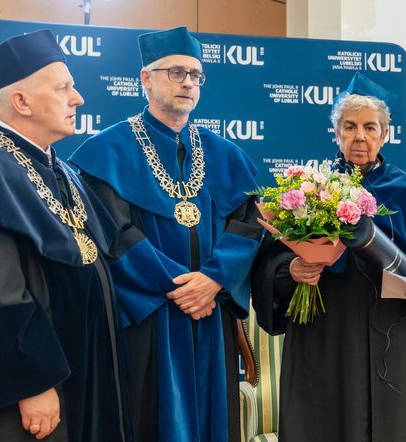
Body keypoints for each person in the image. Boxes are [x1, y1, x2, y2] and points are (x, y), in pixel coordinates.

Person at [251, 72, 406, 442]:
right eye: (349, 127)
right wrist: (291, 269)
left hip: (395, 334)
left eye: (370, 127)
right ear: (335, 133)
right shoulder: (305, 192)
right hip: (322, 335)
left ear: (385, 134)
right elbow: (267, 264)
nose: (360, 137)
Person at [69, 26, 262, 442]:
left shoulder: (225, 155)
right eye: (176, 72)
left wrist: (213, 280)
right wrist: (181, 289)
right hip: (150, 318)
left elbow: (246, 223)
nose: (188, 82)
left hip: (212, 312)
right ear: (146, 79)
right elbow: (115, 234)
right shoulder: (109, 151)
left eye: (196, 75)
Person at [0, 30, 126, 441]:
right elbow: (2, 290)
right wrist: (33, 381)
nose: (78, 98)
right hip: (35, 386)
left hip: (84, 372)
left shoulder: (63, 170)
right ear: (21, 102)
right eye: (63, 88)